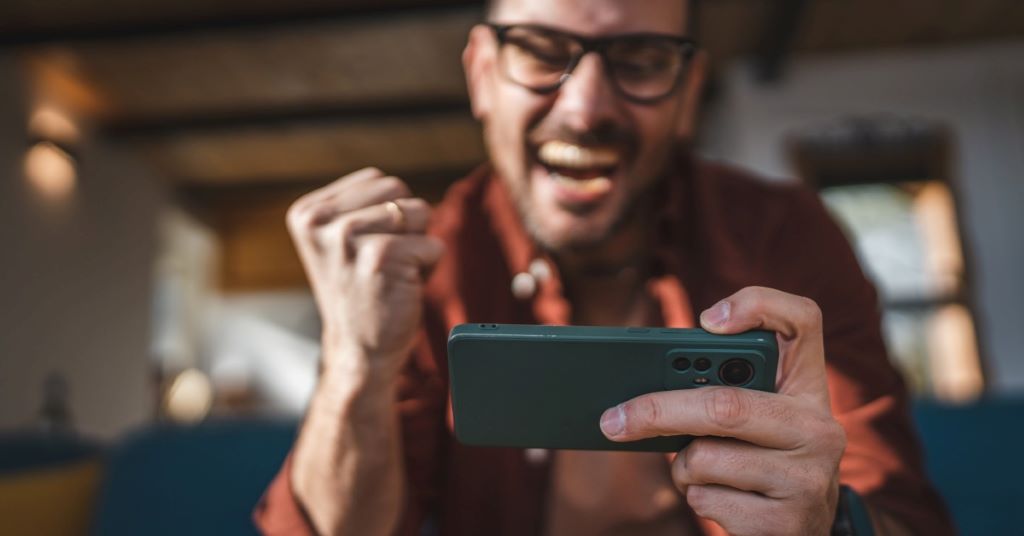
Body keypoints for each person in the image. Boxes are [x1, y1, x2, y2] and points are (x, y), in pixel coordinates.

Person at [255, 0, 953, 534]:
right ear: (481, 75)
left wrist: (829, 519)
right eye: (539, 50)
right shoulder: (420, 274)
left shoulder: (782, 237)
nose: (585, 108)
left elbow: (901, 512)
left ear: (687, 92)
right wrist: (355, 361)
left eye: (642, 59)